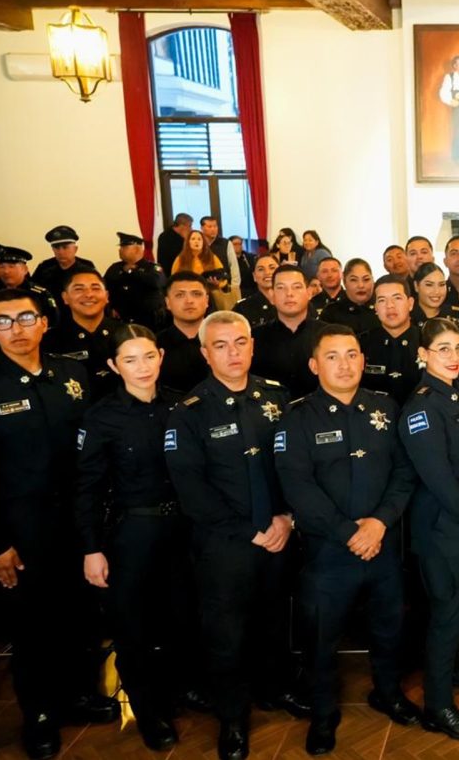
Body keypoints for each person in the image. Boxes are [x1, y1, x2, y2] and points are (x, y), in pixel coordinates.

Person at [0, 289, 119, 760]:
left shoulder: (72, 374)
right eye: (4, 322)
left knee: (82, 615)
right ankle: (39, 714)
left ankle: (80, 693)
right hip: (21, 532)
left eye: (26, 317)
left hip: (78, 524)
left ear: (44, 322)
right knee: (32, 626)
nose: (17, 329)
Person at [273, 326, 421, 754]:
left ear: (362, 359)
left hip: (383, 546)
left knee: (389, 628)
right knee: (321, 639)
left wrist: (378, 524)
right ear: (315, 366)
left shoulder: (386, 407)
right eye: (333, 356)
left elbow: (404, 473)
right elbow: (297, 487)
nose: (345, 364)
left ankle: (389, 693)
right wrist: (348, 532)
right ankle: (323, 713)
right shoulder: (297, 417)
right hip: (328, 554)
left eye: (352, 354)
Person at [164, 311, 297, 760]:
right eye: (220, 345)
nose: (233, 352)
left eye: (240, 342)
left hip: (280, 534)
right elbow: (192, 493)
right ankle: (233, 717)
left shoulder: (277, 396)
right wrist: (253, 531)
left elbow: (295, 467)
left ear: (252, 345)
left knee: (276, 620)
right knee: (227, 634)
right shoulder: (188, 414)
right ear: (205, 353)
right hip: (225, 546)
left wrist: (286, 519)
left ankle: (274, 690)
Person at [73, 325, 201, 751]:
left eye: (148, 356)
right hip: (132, 532)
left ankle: (176, 692)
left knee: (180, 617)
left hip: (182, 528)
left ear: (161, 355)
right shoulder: (101, 415)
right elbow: (87, 487)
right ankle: (148, 712)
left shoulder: (183, 403)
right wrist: (91, 548)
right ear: (113, 365)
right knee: (134, 627)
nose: (142, 367)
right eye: (130, 359)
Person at [400, 318, 459, 740]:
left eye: (458, 348)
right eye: (443, 349)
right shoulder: (422, 406)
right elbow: (437, 477)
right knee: (446, 610)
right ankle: (438, 707)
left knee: (458, 603)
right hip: (442, 522)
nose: (454, 357)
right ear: (423, 354)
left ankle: (450, 668)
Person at [43, 267, 124, 399]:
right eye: (79, 289)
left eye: (96, 288)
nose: (88, 294)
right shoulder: (49, 341)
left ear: (107, 296)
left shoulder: (128, 334)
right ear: (65, 297)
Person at [250, 265, 329, 398]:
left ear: (309, 293)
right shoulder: (254, 338)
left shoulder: (328, 335)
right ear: (272, 296)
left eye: (297, 287)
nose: (289, 294)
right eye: (281, 288)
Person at [359, 275, 422, 405]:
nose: (390, 306)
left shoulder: (427, 341)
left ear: (410, 304)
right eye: (382, 300)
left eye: (397, 298)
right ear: (375, 307)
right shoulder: (361, 344)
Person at [158, 273, 211, 393]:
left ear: (207, 300)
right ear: (167, 302)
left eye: (196, 294)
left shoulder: (225, 341)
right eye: (180, 295)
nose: (189, 301)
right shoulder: (154, 346)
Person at [104, 232, 166, 328]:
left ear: (137, 249)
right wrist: (110, 308)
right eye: (120, 247)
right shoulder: (115, 268)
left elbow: (157, 282)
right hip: (120, 321)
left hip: (147, 322)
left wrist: (132, 271)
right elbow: (104, 288)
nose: (120, 250)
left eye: (124, 247)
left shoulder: (152, 268)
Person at [32, 225, 97, 304]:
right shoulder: (44, 267)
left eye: (65, 247)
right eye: (57, 248)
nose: (61, 252)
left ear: (75, 249)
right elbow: (34, 293)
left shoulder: (87, 267)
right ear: (52, 249)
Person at [322, 258, 380, 334]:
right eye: (354, 280)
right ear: (344, 282)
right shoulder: (331, 312)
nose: (361, 285)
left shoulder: (383, 308)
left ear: (373, 281)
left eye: (366, 279)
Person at [173, 229, 229, 304]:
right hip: (187, 297)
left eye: (199, 239)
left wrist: (218, 283)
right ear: (188, 242)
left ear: (203, 242)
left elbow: (223, 277)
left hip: (208, 296)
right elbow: (173, 280)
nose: (196, 241)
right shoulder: (180, 259)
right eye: (193, 239)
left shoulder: (211, 257)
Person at [234, 255, 279, 329]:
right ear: (254, 276)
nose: (267, 273)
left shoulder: (293, 303)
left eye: (272, 268)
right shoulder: (242, 308)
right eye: (261, 269)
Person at [412, 262, 459, 328]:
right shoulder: (406, 318)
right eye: (429, 285)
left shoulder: (457, 316)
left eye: (441, 285)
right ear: (416, 286)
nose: (436, 291)